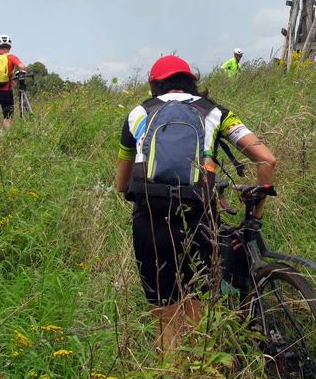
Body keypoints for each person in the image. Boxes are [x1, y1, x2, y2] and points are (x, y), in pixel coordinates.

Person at [115, 54, 276, 351]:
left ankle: (171, 366)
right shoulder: (215, 112)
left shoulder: (137, 114)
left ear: (154, 85)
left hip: (149, 220)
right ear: (192, 81)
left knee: (165, 315)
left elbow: (122, 184)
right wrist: (256, 212)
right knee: (197, 310)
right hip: (199, 218)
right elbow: (267, 159)